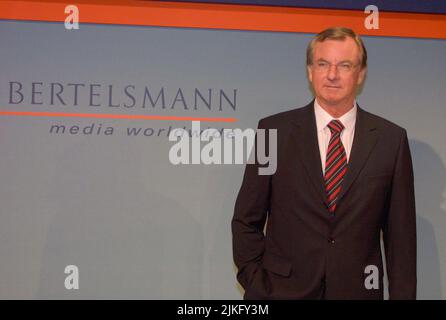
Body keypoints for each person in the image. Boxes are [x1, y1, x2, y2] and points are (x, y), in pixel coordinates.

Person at [231, 27, 416, 300]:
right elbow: (246, 220)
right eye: (323, 64)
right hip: (281, 293)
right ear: (310, 71)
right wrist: (259, 286)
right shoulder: (273, 132)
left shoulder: (391, 140)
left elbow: (401, 240)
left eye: (344, 65)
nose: (332, 74)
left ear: (361, 73)